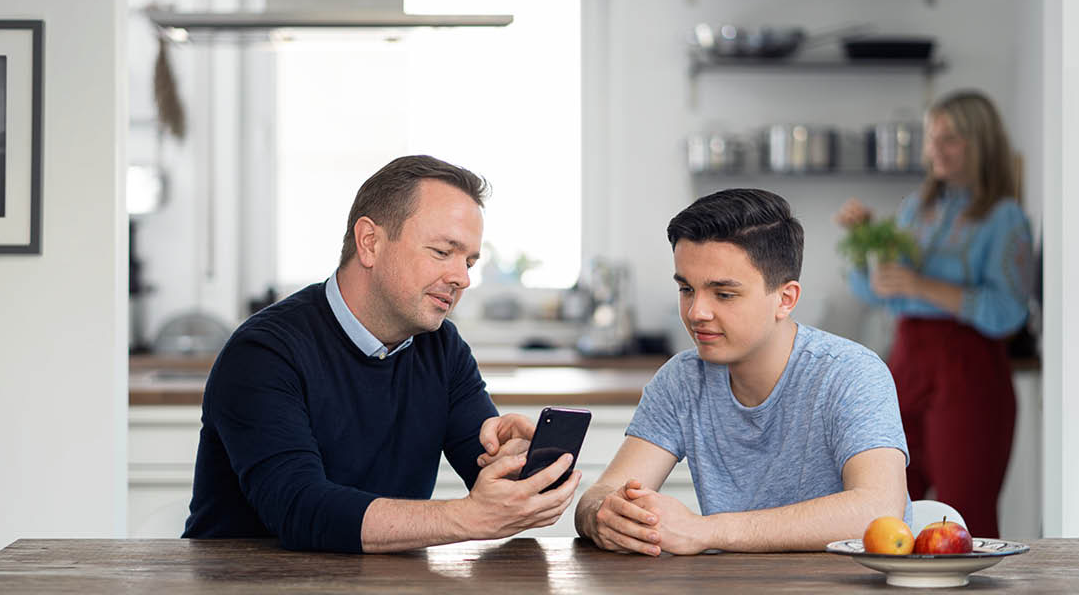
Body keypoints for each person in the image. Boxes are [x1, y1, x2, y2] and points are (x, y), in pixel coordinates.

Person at [183, 155, 580, 552]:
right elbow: (298, 509)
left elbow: (491, 487)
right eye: (443, 252)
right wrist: (468, 517)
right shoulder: (264, 352)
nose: (462, 277)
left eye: (470, 260)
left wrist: (521, 467)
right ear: (370, 242)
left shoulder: (443, 349)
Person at [575, 189, 910, 556]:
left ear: (786, 299)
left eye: (724, 294)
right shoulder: (682, 380)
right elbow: (599, 496)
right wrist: (603, 517)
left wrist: (704, 531)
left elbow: (879, 510)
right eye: (686, 289)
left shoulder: (851, 373)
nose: (696, 312)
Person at [836, 90, 1034, 538]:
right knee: (886, 506)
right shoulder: (915, 210)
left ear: (980, 144)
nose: (934, 151)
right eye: (931, 138)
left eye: (949, 139)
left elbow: (1008, 312)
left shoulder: (1005, 219)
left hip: (970, 373)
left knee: (966, 515)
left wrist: (922, 286)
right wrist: (865, 242)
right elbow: (879, 292)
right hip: (905, 364)